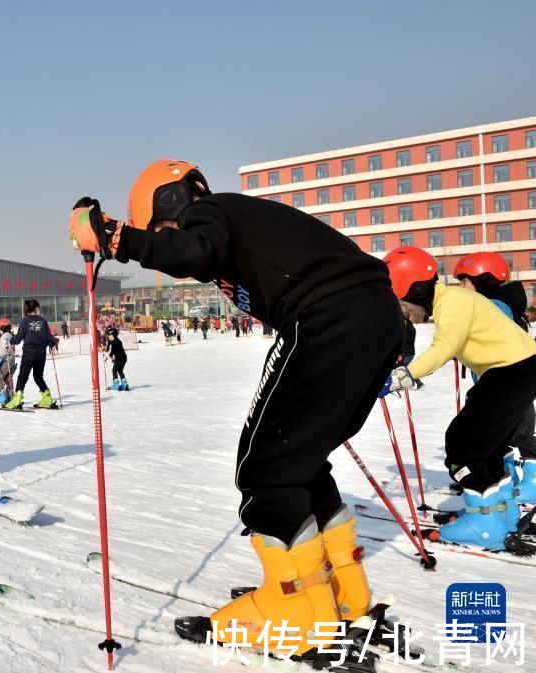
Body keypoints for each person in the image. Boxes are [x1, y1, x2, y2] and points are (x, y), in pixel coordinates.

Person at [69, 159, 401, 661]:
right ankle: (342, 596)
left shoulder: (213, 213)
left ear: (170, 203)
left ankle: (297, 613)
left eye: (158, 228)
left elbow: (192, 250)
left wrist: (118, 239)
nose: (162, 239)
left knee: (265, 463)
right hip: (371, 317)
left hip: (328, 315)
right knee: (300, 461)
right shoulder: (236, 222)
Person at [382, 246, 536, 554]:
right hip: (513, 370)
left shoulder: (451, 302)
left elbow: (444, 345)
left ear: (415, 288)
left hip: (510, 371)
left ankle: (485, 527)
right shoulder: (453, 301)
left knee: (462, 446)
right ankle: (499, 514)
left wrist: (405, 374)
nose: (405, 312)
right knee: (487, 446)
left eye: (402, 302)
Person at [452, 252, 536, 505]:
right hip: (504, 384)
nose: (462, 288)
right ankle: (501, 479)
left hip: (505, 385)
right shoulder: (500, 302)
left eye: (465, 282)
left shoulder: (495, 306)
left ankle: (530, 481)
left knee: (517, 433)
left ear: (483, 279)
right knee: (503, 436)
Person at [5, 299, 57, 410]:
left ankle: (17, 399)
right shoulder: (43, 321)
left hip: (29, 352)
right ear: (35, 309)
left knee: (23, 376)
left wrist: (10, 341)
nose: (40, 310)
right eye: (39, 308)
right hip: (41, 353)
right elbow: (49, 338)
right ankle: (47, 397)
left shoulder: (25, 320)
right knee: (38, 377)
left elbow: (18, 338)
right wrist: (52, 344)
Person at [107, 326, 129, 391]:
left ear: (113, 335)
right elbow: (114, 349)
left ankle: (116, 384)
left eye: (109, 335)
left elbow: (113, 350)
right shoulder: (116, 340)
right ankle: (124, 384)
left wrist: (108, 356)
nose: (108, 337)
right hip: (123, 358)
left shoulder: (115, 342)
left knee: (114, 370)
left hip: (119, 358)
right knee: (120, 370)